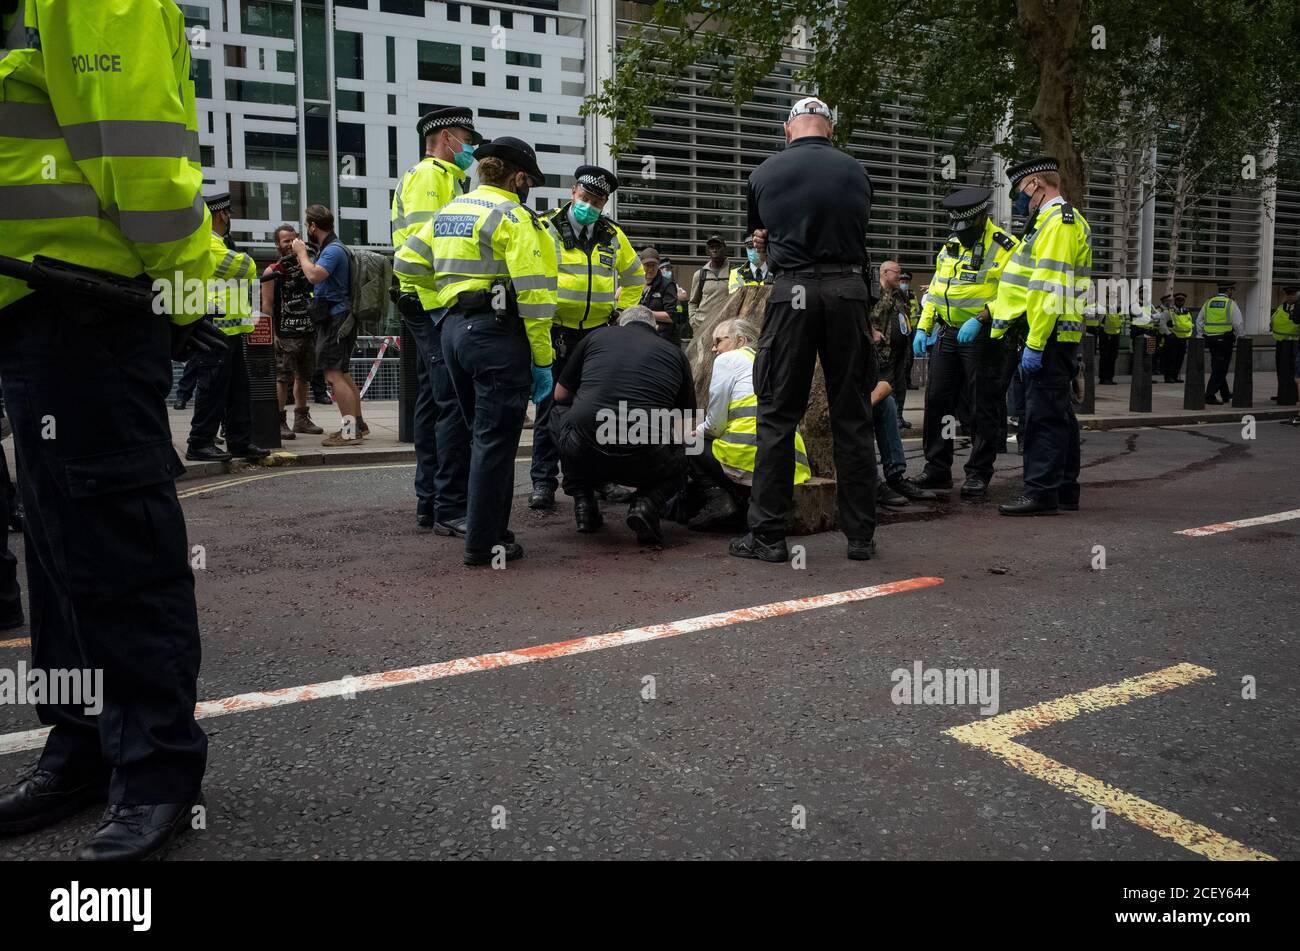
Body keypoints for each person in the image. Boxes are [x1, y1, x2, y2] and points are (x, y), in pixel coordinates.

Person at [0, 0, 211, 860]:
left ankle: (154, 766)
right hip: (34, 301)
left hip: (90, 300)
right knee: (56, 554)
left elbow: (142, 156)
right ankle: (82, 741)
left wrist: (195, 284)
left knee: (117, 547)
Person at [730, 96, 879, 562]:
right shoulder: (856, 171)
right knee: (852, 417)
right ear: (830, 129)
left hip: (792, 291)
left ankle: (768, 536)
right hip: (847, 293)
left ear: (787, 129)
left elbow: (762, 234)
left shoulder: (763, 174)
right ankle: (860, 538)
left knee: (776, 416)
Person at [427, 136, 557, 565]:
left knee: (477, 436)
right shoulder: (515, 217)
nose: (528, 190)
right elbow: (535, 299)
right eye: (529, 181)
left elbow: (408, 263)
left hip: (453, 332)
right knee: (495, 443)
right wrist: (543, 361)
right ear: (517, 176)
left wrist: (442, 309)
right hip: (497, 336)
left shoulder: (449, 211)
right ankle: (485, 544)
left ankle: (491, 532)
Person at [525, 165, 643, 510]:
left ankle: (596, 480)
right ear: (573, 191)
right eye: (585, 197)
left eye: (597, 201)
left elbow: (635, 277)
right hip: (556, 331)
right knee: (551, 406)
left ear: (605, 203)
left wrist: (623, 314)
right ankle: (543, 482)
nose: (588, 205)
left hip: (596, 336)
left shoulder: (612, 235)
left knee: (595, 410)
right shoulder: (547, 228)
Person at [391, 107, 480, 533]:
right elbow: (427, 248)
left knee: (433, 400)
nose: (471, 147)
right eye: (466, 138)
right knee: (452, 403)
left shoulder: (447, 179)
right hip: (433, 302)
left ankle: (430, 501)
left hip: (428, 301)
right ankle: (448, 506)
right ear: (446, 137)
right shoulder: (432, 177)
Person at [990, 156, 1092, 516]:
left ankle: (1041, 491)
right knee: (1058, 412)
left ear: (1035, 184)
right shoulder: (1047, 223)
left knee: (1042, 417)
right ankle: (1063, 489)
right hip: (1048, 335)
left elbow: (1048, 289)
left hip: (1047, 337)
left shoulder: (1057, 223)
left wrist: (1034, 343)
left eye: (1020, 190)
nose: (1019, 198)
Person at [551, 306, 695, 546]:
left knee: (560, 414)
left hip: (587, 448)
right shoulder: (675, 353)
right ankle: (646, 503)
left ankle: (583, 501)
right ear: (655, 326)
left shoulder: (596, 337)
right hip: (646, 457)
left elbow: (560, 395)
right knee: (690, 444)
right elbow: (689, 419)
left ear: (621, 324)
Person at [911, 186, 1019, 500]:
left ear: (982, 217)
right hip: (946, 333)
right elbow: (935, 288)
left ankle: (978, 472)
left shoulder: (1005, 247)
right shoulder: (951, 244)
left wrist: (983, 317)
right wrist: (923, 326)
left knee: (982, 405)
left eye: (967, 228)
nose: (962, 234)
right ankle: (937, 468)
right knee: (938, 401)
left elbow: (1014, 295)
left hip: (981, 336)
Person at [689, 317, 810, 531]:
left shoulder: (729, 359)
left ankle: (721, 502)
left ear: (740, 340)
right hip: (793, 468)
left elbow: (714, 426)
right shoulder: (769, 363)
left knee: (690, 443)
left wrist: (694, 431)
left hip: (747, 460)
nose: (714, 348)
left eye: (718, 341)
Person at [185, 194, 268, 463]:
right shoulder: (208, 242)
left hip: (228, 330)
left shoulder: (217, 242)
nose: (229, 218)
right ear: (221, 215)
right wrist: (250, 264)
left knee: (237, 390)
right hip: (214, 328)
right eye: (228, 214)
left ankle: (240, 442)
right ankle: (199, 442)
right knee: (212, 388)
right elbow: (245, 267)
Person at [869, 261, 937, 507]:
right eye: (896, 274)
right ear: (884, 274)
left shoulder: (901, 296)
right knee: (873, 403)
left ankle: (895, 476)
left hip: (897, 356)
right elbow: (874, 317)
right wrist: (873, 333)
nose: (900, 278)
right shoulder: (873, 294)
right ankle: (870, 482)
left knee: (887, 401)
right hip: (874, 361)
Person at [294, 205, 363, 444]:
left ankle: (349, 433)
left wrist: (301, 253)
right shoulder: (333, 247)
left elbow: (314, 275)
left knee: (333, 376)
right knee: (343, 373)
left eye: (307, 226)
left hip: (336, 318)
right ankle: (358, 426)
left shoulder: (333, 250)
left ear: (313, 226)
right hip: (338, 316)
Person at [260, 225, 323, 441]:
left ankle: (301, 418)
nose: (290, 243)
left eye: (294, 239)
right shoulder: (273, 270)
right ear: (278, 244)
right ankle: (278, 421)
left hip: (308, 331)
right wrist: (272, 335)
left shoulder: (307, 265)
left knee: (304, 376)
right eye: (285, 240)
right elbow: (266, 306)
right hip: (285, 333)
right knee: (282, 378)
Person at [1196, 282, 1244, 404]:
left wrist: (1201, 334)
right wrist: (1241, 337)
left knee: (1217, 366)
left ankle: (1225, 394)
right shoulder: (1230, 303)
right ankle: (1209, 395)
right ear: (1228, 290)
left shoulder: (1208, 302)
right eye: (1232, 289)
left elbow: (1199, 320)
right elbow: (1237, 323)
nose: (1232, 291)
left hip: (1210, 340)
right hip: (1224, 340)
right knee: (1221, 369)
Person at [638, 246, 683, 345]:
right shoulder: (637, 283)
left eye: (653, 265)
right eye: (647, 265)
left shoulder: (667, 285)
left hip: (664, 339)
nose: (650, 269)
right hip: (643, 336)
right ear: (641, 265)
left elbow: (670, 316)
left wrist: (645, 313)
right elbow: (617, 296)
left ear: (658, 265)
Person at [688, 234, 731, 335]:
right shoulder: (700, 274)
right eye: (712, 247)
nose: (715, 250)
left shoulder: (734, 272)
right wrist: (693, 321)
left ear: (725, 249)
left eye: (718, 247)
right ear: (708, 250)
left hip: (725, 329)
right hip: (701, 327)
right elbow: (693, 302)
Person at [1268, 285, 1298, 403]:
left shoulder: (1298, 307)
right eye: (1288, 294)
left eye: (1293, 294)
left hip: (1294, 343)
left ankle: (1291, 396)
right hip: (1281, 342)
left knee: (1291, 370)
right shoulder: (1281, 307)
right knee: (1281, 369)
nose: (1290, 297)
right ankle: (1282, 393)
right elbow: (1273, 320)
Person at [1163, 291, 1193, 383]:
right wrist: (1168, 333)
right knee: (1171, 358)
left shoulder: (1186, 311)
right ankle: (1168, 377)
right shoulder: (1169, 311)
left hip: (1183, 338)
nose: (1180, 302)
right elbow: (1162, 323)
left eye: (1182, 300)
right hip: (1172, 338)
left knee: (1180, 358)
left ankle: (1175, 376)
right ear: (1175, 301)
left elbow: (1190, 324)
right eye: (1178, 300)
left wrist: (1189, 334)